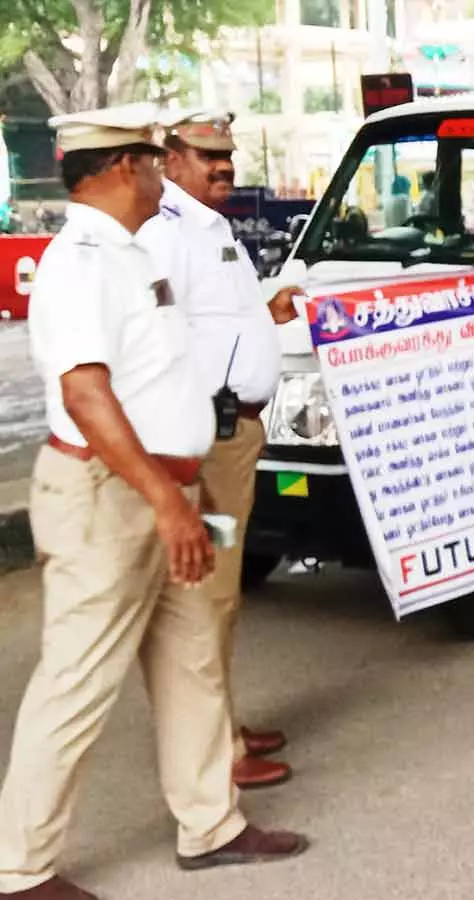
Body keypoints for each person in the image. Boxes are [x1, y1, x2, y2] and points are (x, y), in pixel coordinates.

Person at [0, 103, 306, 900]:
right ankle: (18, 866)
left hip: (171, 489)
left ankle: (212, 824)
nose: (156, 175)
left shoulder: (133, 253)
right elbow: (87, 395)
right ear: (117, 170)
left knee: (192, 658)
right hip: (110, 498)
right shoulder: (81, 263)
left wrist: (185, 491)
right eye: (147, 161)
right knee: (77, 679)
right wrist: (166, 501)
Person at [136, 111, 304, 790]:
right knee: (205, 598)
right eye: (207, 154)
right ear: (171, 159)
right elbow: (158, 337)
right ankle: (215, 750)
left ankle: (223, 723)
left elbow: (215, 326)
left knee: (222, 593)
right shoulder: (168, 232)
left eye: (227, 154)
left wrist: (268, 314)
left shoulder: (212, 228)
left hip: (232, 436)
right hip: (206, 439)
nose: (223, 165)